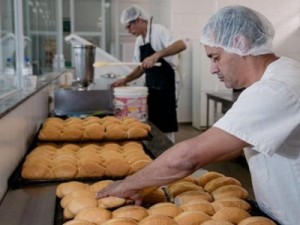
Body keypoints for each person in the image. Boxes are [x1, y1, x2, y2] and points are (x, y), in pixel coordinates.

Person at [97, 5, 300, 225]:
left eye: (215, 57)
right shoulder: (277, 78)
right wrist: (150, 180)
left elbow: (189, 157)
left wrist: (128, 184)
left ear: (241, 44)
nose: (213, 69)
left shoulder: (275, 89)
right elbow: (228, 146)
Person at [112, 5, 187, 142]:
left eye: (129, 26)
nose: (129, 31)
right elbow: (140, 67)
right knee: (153, 120)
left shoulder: (158, 30)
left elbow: (181, 44)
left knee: (165, 121)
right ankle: (155, 150)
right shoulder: (140, 40)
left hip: (166, 84)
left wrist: (157, 55)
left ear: (138, 20)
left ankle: (167, 149)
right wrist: (125, 80)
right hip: (152, 85)